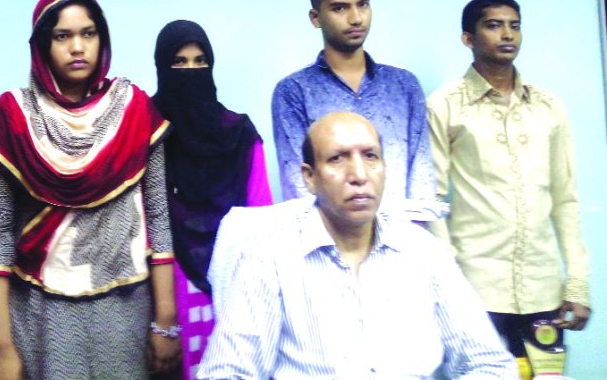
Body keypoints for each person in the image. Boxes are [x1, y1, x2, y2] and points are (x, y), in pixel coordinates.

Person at [198, 112, 516, 378]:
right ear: (309, 177)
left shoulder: (424, 252)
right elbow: (227, 372)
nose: (359, 174)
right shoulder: (270, 259)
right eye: (337, 159)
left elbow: (489, 363)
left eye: (370, 156)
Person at [0, 0, 181, 380]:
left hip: (126, 299)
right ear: (41, 45)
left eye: (88, 33)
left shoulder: (134, 110)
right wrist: (0, 346)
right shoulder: (11, 118)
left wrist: (166, 320)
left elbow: (157, 216)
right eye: (62, 36)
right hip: (39, 306)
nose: (77, 47)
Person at [427, 0, 591, 379]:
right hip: (475, 291)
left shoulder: (548, 106)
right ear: (468, 38)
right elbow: (431, 200)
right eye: (493, 25)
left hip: (543, 291)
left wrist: (577, 283)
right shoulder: (445, 106)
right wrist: (449, 284)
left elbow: (565, 199)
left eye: (514, 25)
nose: (507, 34)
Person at [271, 0, 445, 221]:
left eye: (363, 5)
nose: (356, 18)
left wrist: (413, 246)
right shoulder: (294, 91)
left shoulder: (403, 85)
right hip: (328, 244)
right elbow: (299, 188)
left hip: (401, 241)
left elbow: (421, 179)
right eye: (340, 8)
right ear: (316, 18)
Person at [151, 20, 272, 379]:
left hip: (234, 284)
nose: (191, 71)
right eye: (179, 62)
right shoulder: (147, 132)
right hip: (163, 287)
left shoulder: (239, 134)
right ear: (161, 67)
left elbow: (261, 221)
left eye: (200, 61)